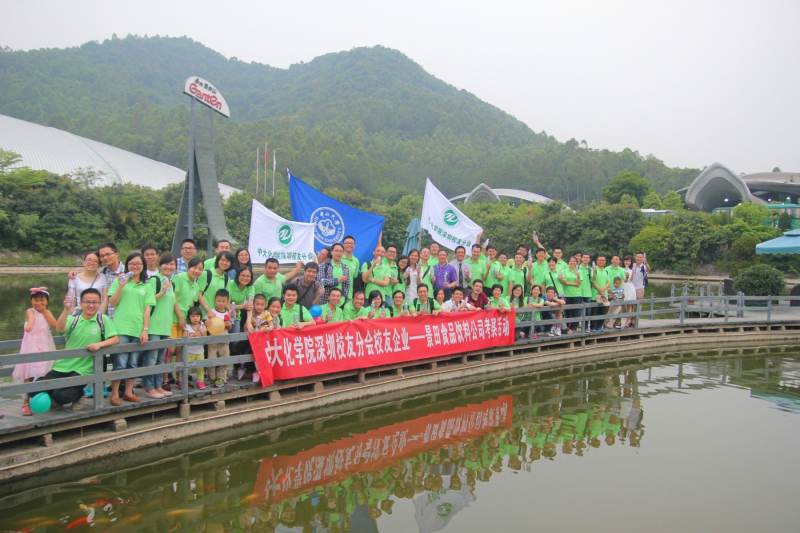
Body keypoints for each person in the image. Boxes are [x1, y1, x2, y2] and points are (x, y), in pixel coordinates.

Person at [41, 288, 119, 410]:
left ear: (100, 304)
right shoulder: (73, 319)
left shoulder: (103, 320)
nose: (91, 305)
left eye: (95, 302)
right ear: (81, 303)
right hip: (64, 366)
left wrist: (100, 344)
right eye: (87, 302)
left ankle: (78, 395)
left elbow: (115, 339)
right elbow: (59, 329)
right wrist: (66, 309)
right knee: (37, 387)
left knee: (60, 395)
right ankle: (59, 396)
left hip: (84, 369)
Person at [107, 252, 155, 406]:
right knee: (120, 362)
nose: (135, 266)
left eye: (138, 264)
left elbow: (147, 309)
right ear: (127, 265)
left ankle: (128, 392)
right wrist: (121, 285)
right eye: (132, 264)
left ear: (143, 266)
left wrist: (145, 329)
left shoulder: (147, 285)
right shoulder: (119, 281)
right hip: (121, 327)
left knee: (133, 363)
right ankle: (115, 393)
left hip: (137, 328)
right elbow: (112, 303)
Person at [14, 287, 57, 416]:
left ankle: (49, 398)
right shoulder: (30, 311)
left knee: (47, 373)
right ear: (31, 300)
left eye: (42, 300)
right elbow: (31, 318)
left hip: (46, 345)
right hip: (31, 345)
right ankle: (25, 402)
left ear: (47, 301)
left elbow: (55, 324)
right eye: (36, 300)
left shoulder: (47, 312)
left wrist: (45, 312)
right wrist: (30, 326)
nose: (39, 303)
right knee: (29, 374)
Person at [141, 253, 176, 399]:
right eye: (166, 264)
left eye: (172, 264)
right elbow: (147, 301)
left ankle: (158, 385)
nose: (169, 267)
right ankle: (149, 388)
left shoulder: (171, 282)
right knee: (151, 358)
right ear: (160, 265)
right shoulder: (154, 281)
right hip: (154, 326)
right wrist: (162, 291)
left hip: (165, 326)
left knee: (161, 358)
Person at [169, 257, 207, 387]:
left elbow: (192, 305)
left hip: (185, 322)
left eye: (200, 269)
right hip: (174, 320)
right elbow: (173, 299)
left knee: (181, 350)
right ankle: (165, 379)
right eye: (194, 267)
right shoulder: (178, 278)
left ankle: (180, 379)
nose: (197, 271)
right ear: (188, 267)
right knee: (170, 350)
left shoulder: (196, 285)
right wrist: (180, 316)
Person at [205, 289, 234, 387]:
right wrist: (206, 323)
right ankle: (211, 377)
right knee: (211, 358)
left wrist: (229, 324)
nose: (221, 303)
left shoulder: (228, 314)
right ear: (215, 300)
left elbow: (230, 326)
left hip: (224, 340)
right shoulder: (211, 312)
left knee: (224, 359)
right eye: (218, 301)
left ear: (227, 302)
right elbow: (205, 324)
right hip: (212, 340)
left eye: (223, 301)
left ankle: (222, 377)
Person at [67, 251, 109, 315]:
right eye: (89, 260)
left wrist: (100, 317)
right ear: (84, 262)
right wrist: (69, 317)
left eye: (95, 261)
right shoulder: (74, 278)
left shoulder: (103, 277)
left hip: (97, 314)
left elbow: (105, 300)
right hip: (81, 314)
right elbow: (71, 298)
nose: (91, 263)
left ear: (99, 265)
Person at [201, 251, 235, 315]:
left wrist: (230, 310)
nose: (224, 263)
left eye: (228, 261)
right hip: (203, 314)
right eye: (222, 260)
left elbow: (227, 301)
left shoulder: (227, 280)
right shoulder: (206, 274)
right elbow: (199, 294)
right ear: (217, 260)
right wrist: (208, 310)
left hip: (219, 316)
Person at [182, 306, 207, 389]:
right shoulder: (187, 326)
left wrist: (202, 331)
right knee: (186, 366)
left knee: (200, 367)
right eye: (193, 316)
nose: (195, 318)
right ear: (189, 317)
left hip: (200, 351)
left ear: (200, 317)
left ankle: (200, 380)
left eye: (197, 316)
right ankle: (183, 381)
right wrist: (192, 335)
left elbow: (205, 336)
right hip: (189, 351)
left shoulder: (202, 326)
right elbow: (184, 338)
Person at [98, 242, 125, 319]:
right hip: (106, 319)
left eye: (108, 254)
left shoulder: (127, 272)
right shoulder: (102, 273)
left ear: (116, 254)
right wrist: (74, 274)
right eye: (102, 256)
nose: (105, 258)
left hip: (123, 319)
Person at [226, 266, 255, 335]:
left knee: (235, 340)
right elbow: (226, 304)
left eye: (248, 276)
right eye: (243, 275)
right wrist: (242, 306)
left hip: (236, 316)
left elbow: (249, 306)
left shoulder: (250, 288)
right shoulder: (230, 284)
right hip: (224, 314)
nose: (245, 278)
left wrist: (248, 322)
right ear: (238, 275)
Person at [559, 256, 582, 335]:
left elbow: (579, 284)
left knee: (575, 311)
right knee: (567, 311)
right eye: (571, 261)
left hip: (576, 294)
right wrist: (574, 284)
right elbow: (564, 282)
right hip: (567, 293)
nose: (572, 263)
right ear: (569, 262)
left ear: (577, 263)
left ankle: (573, 327)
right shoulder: (565, 271)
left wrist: (578, 277)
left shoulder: (579, 271)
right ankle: (568, 326)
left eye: (574, 262)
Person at [590, 255, 610, 332]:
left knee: (602, 312)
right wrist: (599, 289)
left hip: (604, 295)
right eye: (599, 260)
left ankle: (600, 326)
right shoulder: (594, 270)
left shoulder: (605, 271)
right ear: (596, 261)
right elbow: (593, 281)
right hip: (595, 294)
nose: (601, 262)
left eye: (603, 260)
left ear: (605, 262)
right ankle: (593, 327)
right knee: (594, 312)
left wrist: (603, 289)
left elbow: (608, 282)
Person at [341, 236, 360, 300]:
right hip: (336, 294)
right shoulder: (338, 257)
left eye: (351, 243)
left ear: (354, 245)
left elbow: (354, 276)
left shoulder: (356, 261)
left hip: (349, 295)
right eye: (347, 243)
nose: (349, 245)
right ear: (343, 245)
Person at [579, 253, 593, 332]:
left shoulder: (590, 269)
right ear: (581, 258)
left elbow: (593, 280)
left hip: (587, 293)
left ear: (589, 259)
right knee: (577, 311)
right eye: (584, 257)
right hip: (578, 293)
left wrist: (594, 271)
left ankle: (585, 327)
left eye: (587, 257)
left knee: (587, 311)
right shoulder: (577, 268)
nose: (586, 259)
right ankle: (574, 327)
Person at [622, 255, 637, 327]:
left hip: (630, 288)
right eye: (626, 261)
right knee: (620, 306)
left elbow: (631, 280)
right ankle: (617, 322)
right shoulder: (621, 269)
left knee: (629, 306)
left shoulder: (632, 270)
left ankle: (627, 322)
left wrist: (633, 274)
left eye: (629, 261)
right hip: (622, 288)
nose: (628, 262)